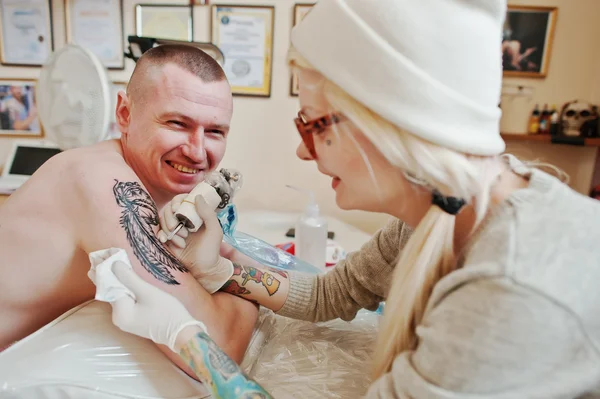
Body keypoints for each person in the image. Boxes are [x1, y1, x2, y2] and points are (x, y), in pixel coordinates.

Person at [106, 0, 600, 397]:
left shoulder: (509, 290)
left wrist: (189, 341)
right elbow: (329, 294)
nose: (302, 150)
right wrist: (222, 268)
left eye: (312, 123)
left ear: (393, 125)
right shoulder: (440, 211)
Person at [0, 44, 259, 379]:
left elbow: (228, 264)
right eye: (177, 123)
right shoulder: (102, 184)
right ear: (124, 113)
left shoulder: (160, 186)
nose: (197, 152)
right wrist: (247, 289)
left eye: (215, 132)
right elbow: (219, 348)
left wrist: (227, 269)